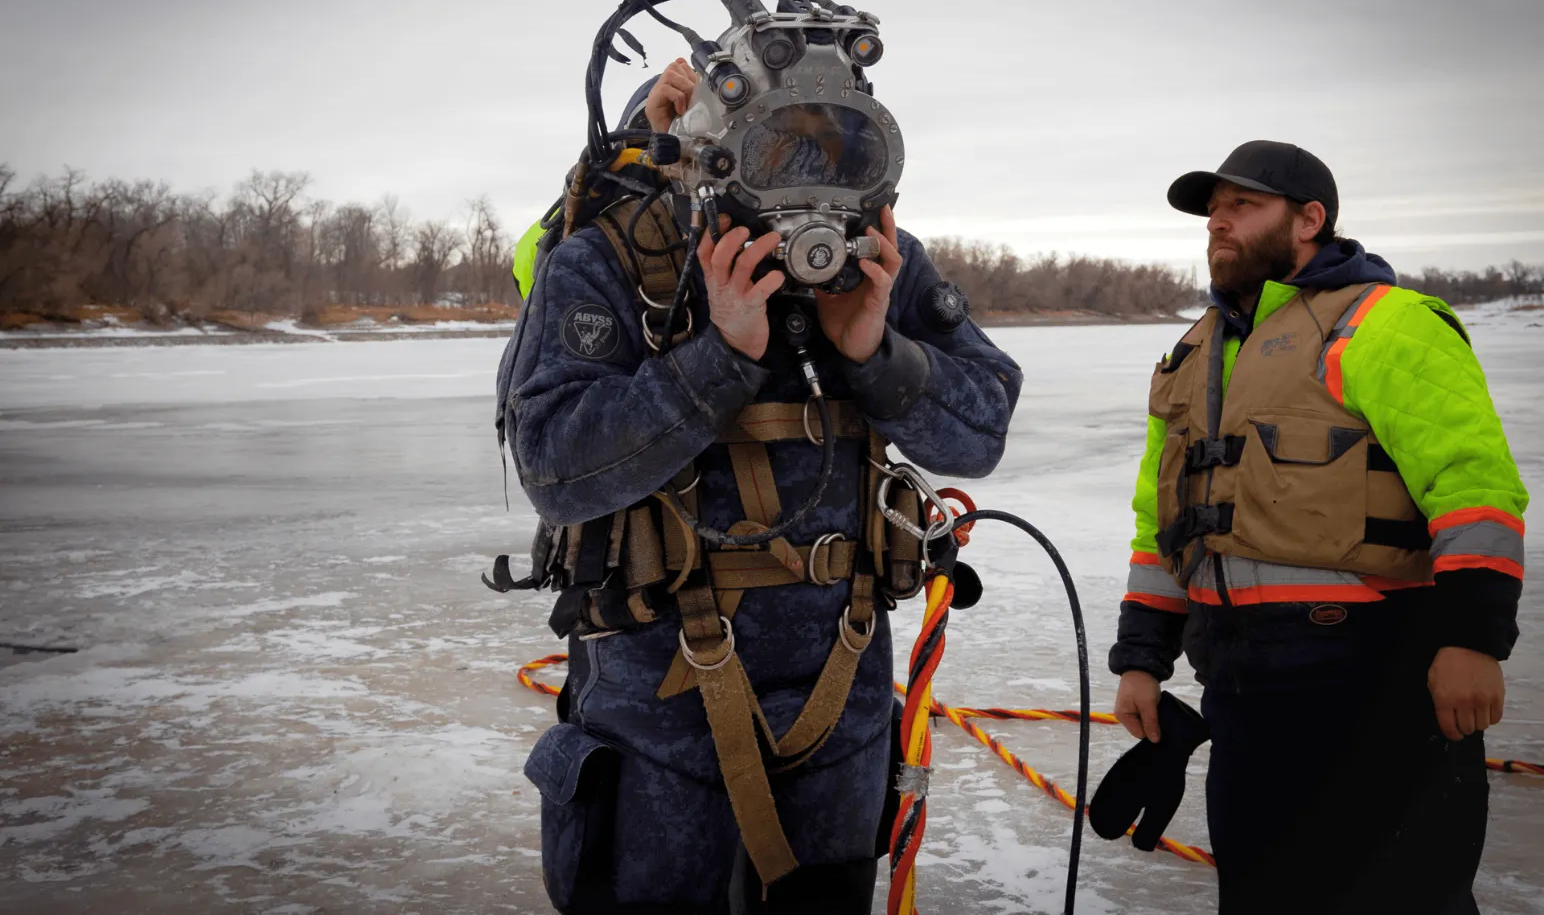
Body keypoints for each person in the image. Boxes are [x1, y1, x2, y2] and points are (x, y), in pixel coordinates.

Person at [502, 60, 1022, 913]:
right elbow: (556, 467)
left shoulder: (878, 258)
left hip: (838, 709)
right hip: (655, 720)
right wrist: (717, 360)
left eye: (819, 147)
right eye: (772, 142)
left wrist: (874, 353)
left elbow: (982, 427)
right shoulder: (611, 261)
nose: (795, 170)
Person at [1107, 140, 1527, 913]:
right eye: (1214, 210)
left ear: (1310, 219)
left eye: (1243, 205)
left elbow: (1473, 487)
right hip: (1240, 687)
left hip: (1379, 686)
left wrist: (1471, 639)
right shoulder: (1195, 352)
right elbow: (1159, 520)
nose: (1218, 223)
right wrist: (1142, 659)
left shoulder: (1387, 325)